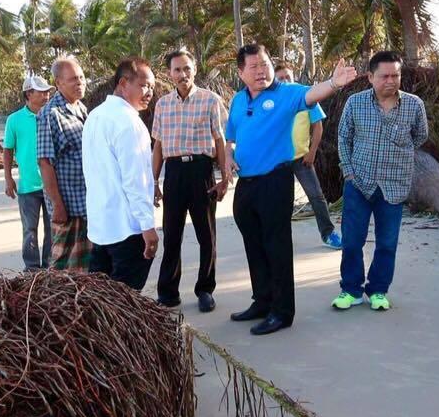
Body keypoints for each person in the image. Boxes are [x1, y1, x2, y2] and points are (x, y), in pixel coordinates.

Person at [226, 44, 358, 335]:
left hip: (275, 181)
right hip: (245, 185)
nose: (261, 71)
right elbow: (231, 137)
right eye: (253, 67)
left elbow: (311, 94)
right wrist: (227, 156)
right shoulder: (237, 100)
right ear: (241, 72)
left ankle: (282, 312)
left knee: (277, 247)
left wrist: (334, 83)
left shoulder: (286, 93)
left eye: (264, 64)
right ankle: (262, 301)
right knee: (254, 245)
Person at [332, 51, 429, 312]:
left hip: (394, 186)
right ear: (370, 77)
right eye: (384, 76)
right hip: (358, 183)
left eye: (395, 75)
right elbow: (343, 138)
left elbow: (420, 136)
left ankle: (377, 290)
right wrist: (349, 172)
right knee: (352, 241)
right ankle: (351, 290)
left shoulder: (414, 105)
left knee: (387, 243)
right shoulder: (355, 103)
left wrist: (397, 157)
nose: (390, 81)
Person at [151, 49, 231, 312]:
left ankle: (205, 290)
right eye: (177, 69)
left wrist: (224, 177)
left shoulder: (210, 100)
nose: (182, 74)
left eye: (187, 68)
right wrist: (153, 181)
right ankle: (168, 293)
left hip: (201, 171)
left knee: (206, 235)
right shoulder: (162, 104)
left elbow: (220, 140)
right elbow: (158, 146)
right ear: (169, 74)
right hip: (173, 174)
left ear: (194, 70)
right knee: (171, 235)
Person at [82, 58, 159, 289]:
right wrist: (147, 226)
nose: (149, 92)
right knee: (125, 300)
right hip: (127, 228)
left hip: (101, 227)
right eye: (144, 85)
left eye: (152, 87)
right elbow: (135, 180)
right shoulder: (129, 123)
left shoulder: (94, 116)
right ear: (123, 83)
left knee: (101, 300)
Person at [274, 63, 341, 250]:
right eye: (280, 78)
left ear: (294, 76)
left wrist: (312, 152)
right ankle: (280, 237)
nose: (285, 80)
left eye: (287, 76)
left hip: (302, 159)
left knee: (316, 196)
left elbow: (317, 126)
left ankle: (328, 234)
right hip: (278, 162)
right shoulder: (271, 100)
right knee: (281, 200)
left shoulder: (306, 95)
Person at [36, 55, 91, 270]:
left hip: (86, 202)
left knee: (86, 267)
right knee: (63, 267)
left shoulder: (81, 109)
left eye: (82, 77)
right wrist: (58, 205)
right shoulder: (50, 115)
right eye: (73, 79)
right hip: (68, 207)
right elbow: (45, 163)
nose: (80, 83)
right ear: (58, 83)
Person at [3, 74, 55, 270]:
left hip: (52, 184)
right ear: (28, 94)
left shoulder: (52, 115)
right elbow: (8, 151)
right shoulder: (14, 120)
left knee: (52, 229)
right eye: (41, 92)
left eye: (47, 92)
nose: (46, 96)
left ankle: (49, 267)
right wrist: (8, 179)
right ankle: (32, 268)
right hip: (27, 186)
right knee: (29, 230)